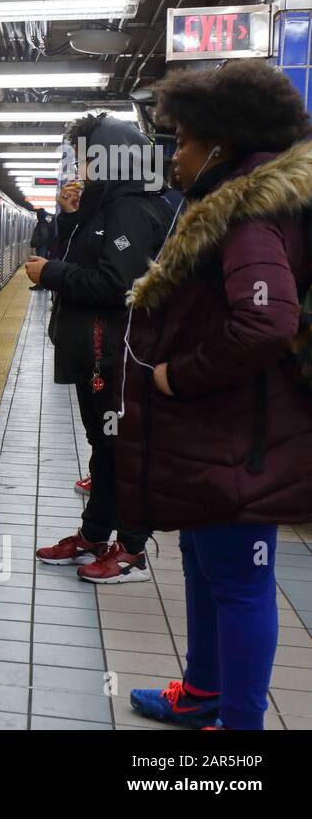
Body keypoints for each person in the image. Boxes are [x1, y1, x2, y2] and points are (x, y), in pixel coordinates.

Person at [115, 61, 312, 730]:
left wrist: (176, 375)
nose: (175, 157)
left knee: (239, 581)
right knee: (204, 561)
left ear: (220, 145)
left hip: (241, 437)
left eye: (184, 142)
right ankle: (203, 693)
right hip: (221, 435)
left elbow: (265, 323)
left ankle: (240, 729)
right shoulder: (237, 202)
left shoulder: (251, 215)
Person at [25, 113, 176, 583]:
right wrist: (72, 219)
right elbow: (88, 257)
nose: (81, 169)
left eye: (89, 158)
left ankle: (131, 550)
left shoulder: (131, 208)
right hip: (96, 352)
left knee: (121, 450)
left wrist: (50, 273)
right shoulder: (108, 207)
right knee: (104, 448)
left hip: (116, 355)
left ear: (114, 158)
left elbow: (117, 283)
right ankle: (94, 535)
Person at [28, 208, 55, 289]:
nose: (37, 216)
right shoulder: (43, 223)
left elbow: (44, 236)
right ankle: (41, 284)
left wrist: (37, 243)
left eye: (38, 214)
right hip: (42, 247)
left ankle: (40, 285)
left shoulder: (42, 224)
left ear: (40, 215)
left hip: (42, 247)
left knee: (41, 265)